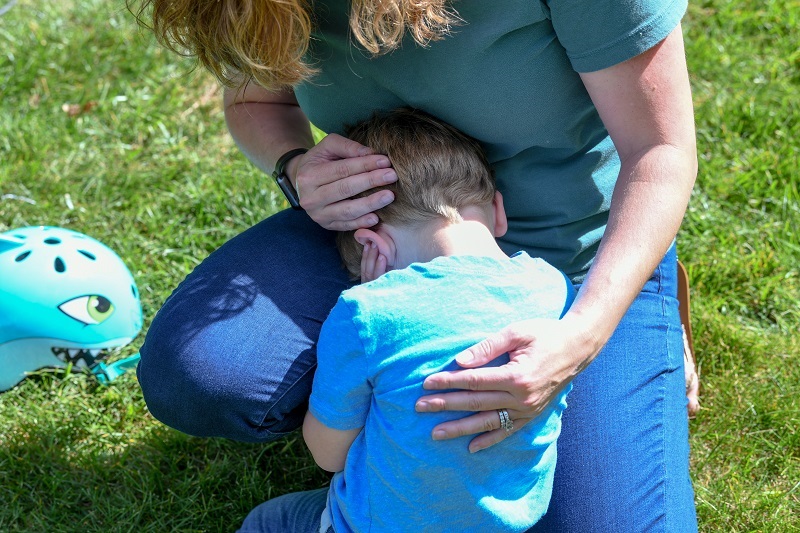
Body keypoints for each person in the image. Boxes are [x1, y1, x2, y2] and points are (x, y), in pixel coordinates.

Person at [132, 0, 699, 529]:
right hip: (376, 239)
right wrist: (297, 166)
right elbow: (256, 99)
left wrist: (583, 336)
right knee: (202, 374)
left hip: (573, 261)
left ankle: (649, 299)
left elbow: (660, 150)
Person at [238, 108, 576, 532]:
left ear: (368, 244)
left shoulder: (366, 314)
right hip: (513, 523)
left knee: (268, 522)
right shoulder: (554, 289)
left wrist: (372, 294)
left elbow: (328, 454)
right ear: (498, 210)